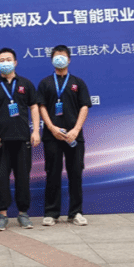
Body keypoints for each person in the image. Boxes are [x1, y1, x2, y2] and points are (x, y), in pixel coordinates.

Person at [0, 48, 41, 231]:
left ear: (15, 62)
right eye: (1, 60)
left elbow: (34, 107)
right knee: (1, 178)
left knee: (23, 178)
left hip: (23, 138)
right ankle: (2, 215)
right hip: (1, 141)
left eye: (8, 59)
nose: (5, 63)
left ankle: (23, 214)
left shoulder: (26, 84)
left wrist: (36, 131)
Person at [37, 45, 92, 227]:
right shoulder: (45, 83)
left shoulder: (78, 82)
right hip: (52, 135)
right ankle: (51, 213)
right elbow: (41, 106)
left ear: (69, 59)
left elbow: (84, 106)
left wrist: (76, 130)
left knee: (75, 173)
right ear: (52, 60)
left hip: (74, 136)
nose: (59, 59)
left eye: (63, 56)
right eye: (56, 56)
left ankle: (76, 212)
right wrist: (52, 128)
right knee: (52, 173)